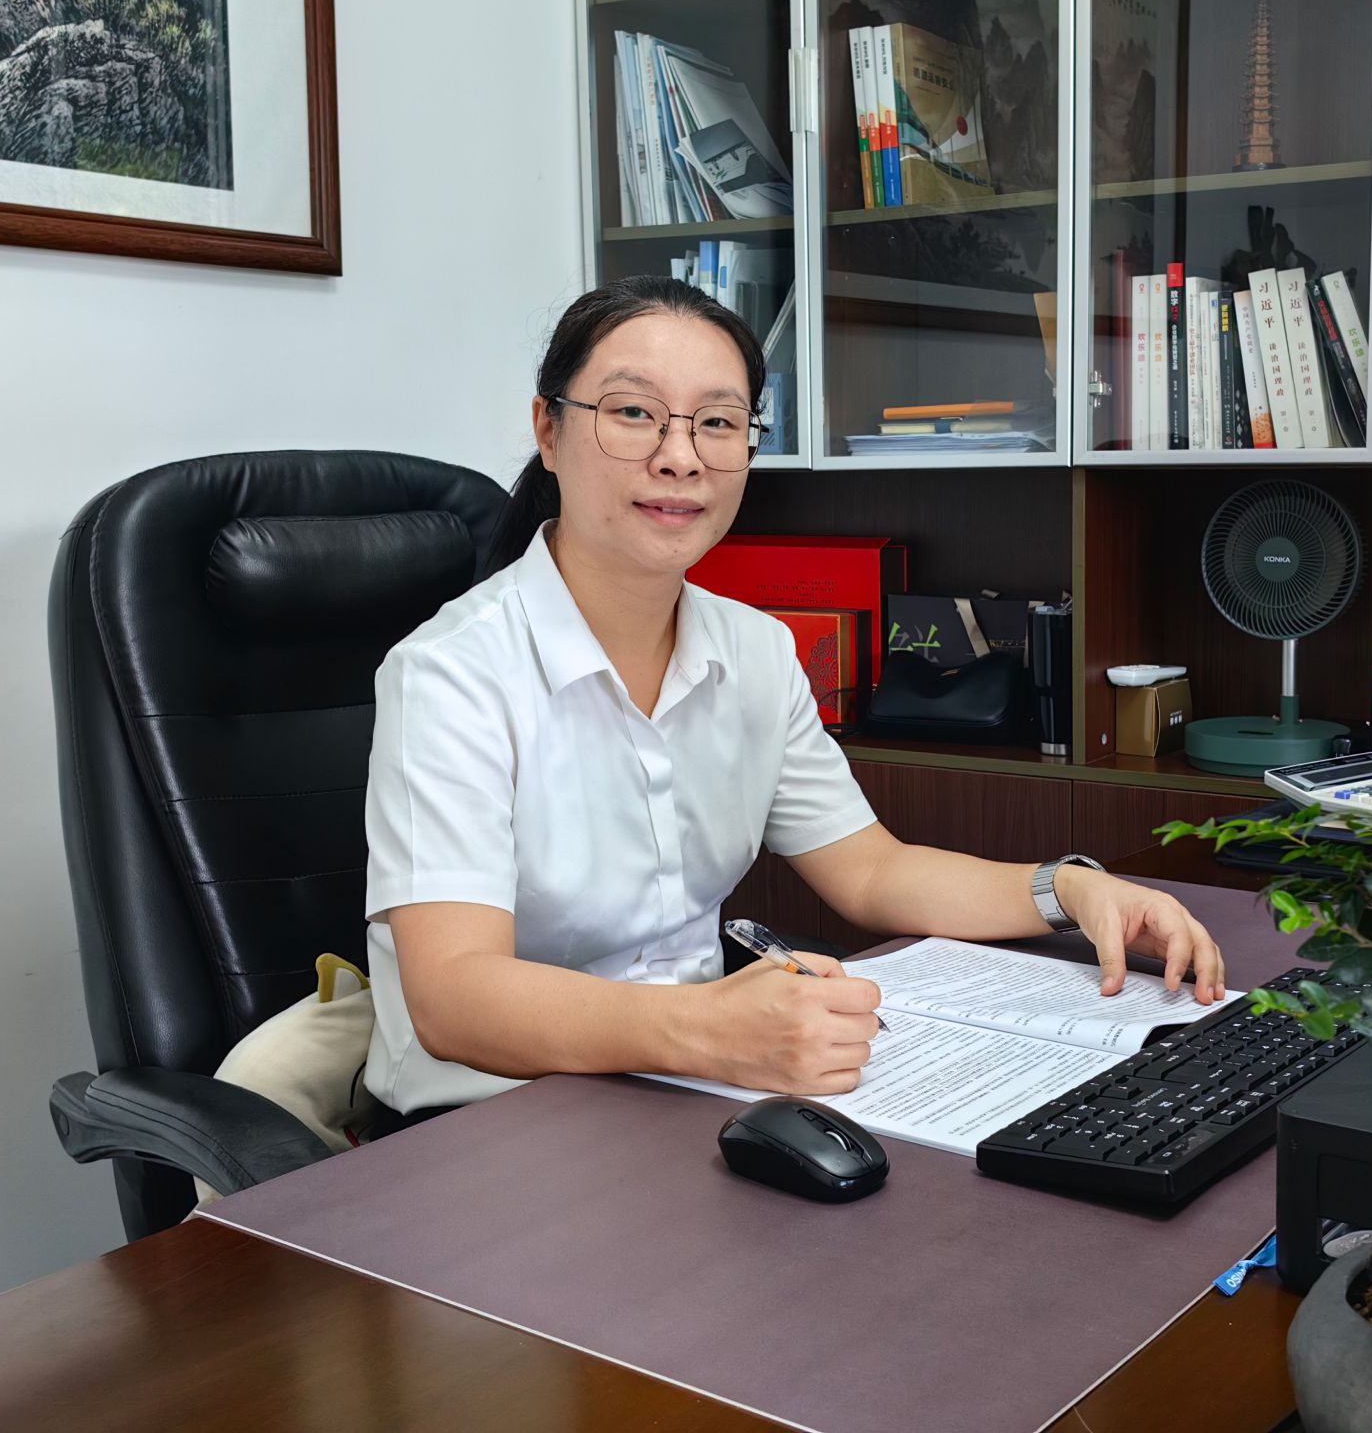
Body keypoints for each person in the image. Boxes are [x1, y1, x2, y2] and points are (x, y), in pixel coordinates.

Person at [362, 276, 1226, 1115]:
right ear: (549, 431)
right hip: (482, 1123)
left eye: (718, 422)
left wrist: (1070, 891)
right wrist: (708, 1029)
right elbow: (455, 998)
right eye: (632, 413)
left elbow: (872, 871)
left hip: (682, 1095)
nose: (680, 456)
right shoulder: (451, 672)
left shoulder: (758, 651)